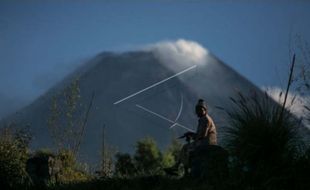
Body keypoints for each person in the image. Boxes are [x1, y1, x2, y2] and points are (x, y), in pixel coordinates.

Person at [164, 99, 217, 175]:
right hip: (205, 142)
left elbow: (202, 135)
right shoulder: (204, 119)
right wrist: (191, 134)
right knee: (187, 148)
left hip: (206, 143)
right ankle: (181, 169)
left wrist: (192, 136)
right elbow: (200, 134)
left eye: (200, 110)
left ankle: (179, 168)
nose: (198, 112)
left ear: (205, 110)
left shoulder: (205, 119)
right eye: (197, 110)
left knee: (185, 148)